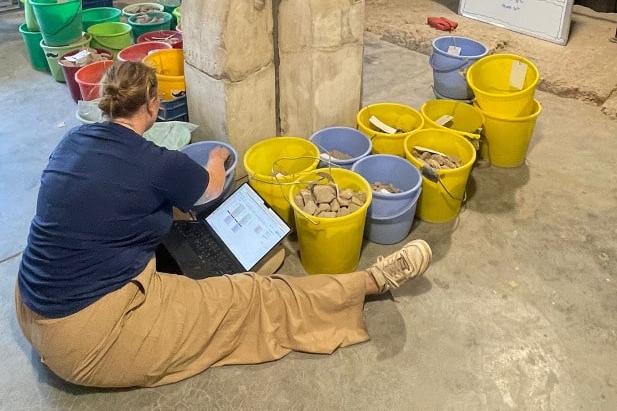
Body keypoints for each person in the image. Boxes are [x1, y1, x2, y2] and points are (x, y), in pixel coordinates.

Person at [15, 60, 432, 389]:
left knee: (176, 233)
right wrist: (214, 158)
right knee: (252, 296)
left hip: (30, 304)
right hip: (86, 338)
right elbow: (210, 188)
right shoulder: (157, 162)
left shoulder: (72, 142)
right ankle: (371, 282)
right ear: (153, 104)